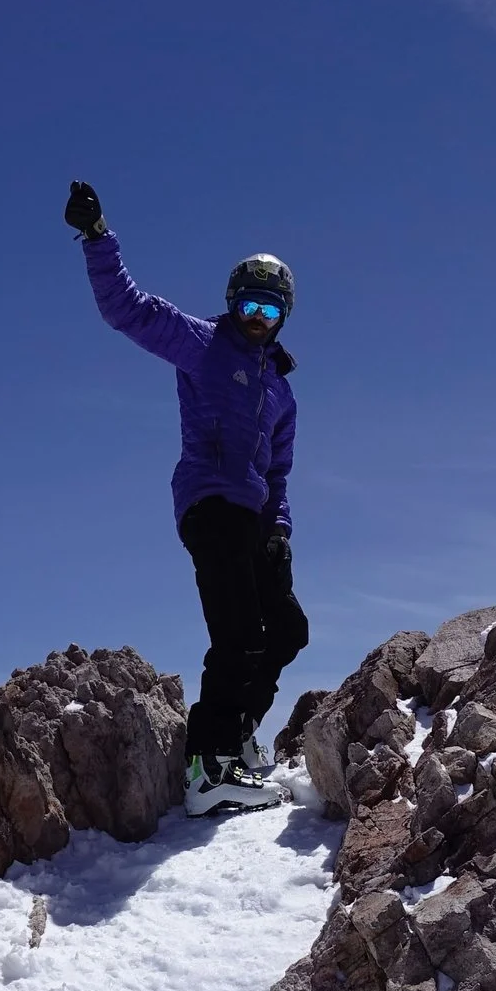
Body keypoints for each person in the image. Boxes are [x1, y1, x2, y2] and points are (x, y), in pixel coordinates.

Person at [64, 179, 309, 817]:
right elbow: (129, 310)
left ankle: (238, 739)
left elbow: (279, 470)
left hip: (254, 515)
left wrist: (278, 531)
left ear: (284, 317)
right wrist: (97, 238)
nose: (259, 319)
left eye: (271, 311)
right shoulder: (203, 345)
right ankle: (207, 770)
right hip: (209, 502)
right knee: (240, 633)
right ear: (233, 304)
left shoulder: (281, 392)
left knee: (286, 630)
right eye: (251, 306)